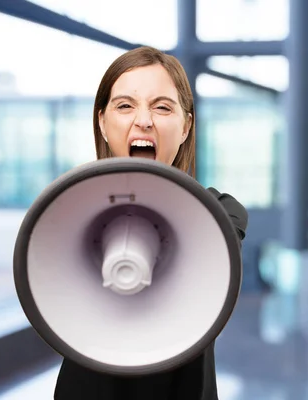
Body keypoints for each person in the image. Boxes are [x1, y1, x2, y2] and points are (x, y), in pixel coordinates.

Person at [53, 46, 248, 399]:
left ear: (186, 126)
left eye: (162, 107)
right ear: (102, 121)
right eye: (125, 105)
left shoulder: (222, 212)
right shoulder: (66, 214)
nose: (143, 120)